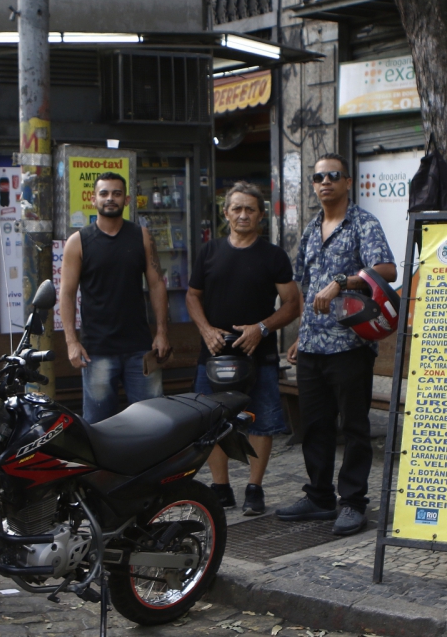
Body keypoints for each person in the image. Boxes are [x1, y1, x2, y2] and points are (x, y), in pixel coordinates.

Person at [278, 153, 396, 536]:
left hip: (350, 345)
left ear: (347, 182)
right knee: (315, 425)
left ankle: (354, 502)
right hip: (313, 347)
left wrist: (343, 282)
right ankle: (319, 496)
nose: (325, 182)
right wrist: (301, 335)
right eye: (318, 178)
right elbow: (306, 284)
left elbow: (387, 269)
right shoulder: (312, 229)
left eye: (333, 175)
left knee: (355, 427)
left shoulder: (363, 223)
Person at [186, 182, 301, 515]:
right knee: (210, 423)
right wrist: (206, 330)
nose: (243, 214)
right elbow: (192, 296)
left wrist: (261, 328)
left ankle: (255, 488)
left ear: (261, 215)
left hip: (258, 355)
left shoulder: (273, 256)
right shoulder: (209, 252)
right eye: (236, 208)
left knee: (261, 423)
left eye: (250, 209)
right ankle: (220, 488)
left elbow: (292, 304)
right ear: (226, 213)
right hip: (213, 355)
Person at [59, 172, 172, 423]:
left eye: (117, 193)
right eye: (104, 193)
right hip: (97, 350)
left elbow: (156, 285)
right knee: (100, 426)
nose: (110, 198)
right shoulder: (78, 242)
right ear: (93, 199)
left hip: (140, 348)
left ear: (127, 199)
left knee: (153, 423)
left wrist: (162, 332)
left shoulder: (142, 236)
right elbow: (66, 294)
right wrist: (71, 341)